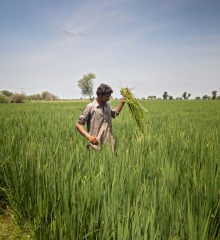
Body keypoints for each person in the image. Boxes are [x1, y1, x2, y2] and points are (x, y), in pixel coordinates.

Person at [75, 83, 126, 152]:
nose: (108, 99)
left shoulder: (107, 105)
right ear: (100, 95)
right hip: (95, 144)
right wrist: (89, 136)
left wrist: (122, 102)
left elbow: (114, 114)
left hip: (109, 143)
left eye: (109, 96)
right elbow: (78, 124)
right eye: (107, 97)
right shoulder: (90, 107)